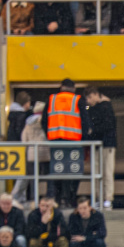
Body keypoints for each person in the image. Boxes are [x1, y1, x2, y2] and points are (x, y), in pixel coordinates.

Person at [45, 78, 86, 207]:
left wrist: (50, 135)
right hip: (74, 142)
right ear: (73, 88)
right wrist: (85, 139)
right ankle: (69, 199)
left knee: (57, 170)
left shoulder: (52, 99)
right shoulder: (77, 100)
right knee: (73, 170)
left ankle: (56, 199)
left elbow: (44, 121)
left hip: (56, 141)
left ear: (61, 87)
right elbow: (85, 121)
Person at [83, 87, 117, 210]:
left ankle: (107, 199)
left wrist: (93, 131)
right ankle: (100, 198)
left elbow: (108, 125)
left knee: (107, 172)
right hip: (97, 145)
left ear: (96, 95)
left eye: (90, 97)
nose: (88, 101)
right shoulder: (95, 108)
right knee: (97, 173)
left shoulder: (106, 107)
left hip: (107, 145)